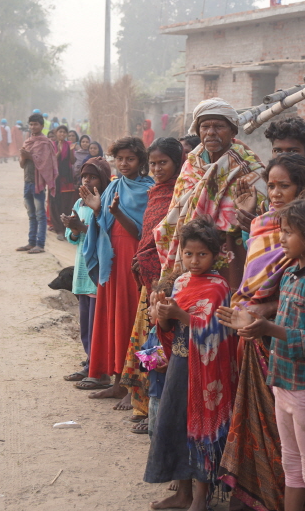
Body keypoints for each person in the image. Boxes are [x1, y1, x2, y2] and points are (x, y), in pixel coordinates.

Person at [216, 153, 305, 511]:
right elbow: (252, 275)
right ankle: (251, 496)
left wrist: (263, 311)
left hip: (284, 340)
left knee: (285, 437)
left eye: (283, 186)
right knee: (253, 419)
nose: (274, 192)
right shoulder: (262, 223)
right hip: (252, 332)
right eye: (271, 185)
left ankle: (279, 500)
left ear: (303, 189)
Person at [234, 197, 305, 511]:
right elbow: (284, 329)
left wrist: (269, 329)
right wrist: (253, 326)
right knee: (291, 464)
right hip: (283, 385)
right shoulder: (289, 277)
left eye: (288, 232)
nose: (281, 238)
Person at [145, 217, 236, 511]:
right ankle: (182, 493)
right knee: (174, 425)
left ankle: (200, 497)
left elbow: (218, 331)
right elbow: (169, 329)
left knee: (202, 431)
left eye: (202, 254)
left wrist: (181, 315)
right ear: (180, 252)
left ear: (215, 254)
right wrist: (162, 312)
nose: (194, 261)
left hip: (207, 373)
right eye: (188, 254)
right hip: (180, 366)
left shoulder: (219, 287)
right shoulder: (181, 281)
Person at [155, 98, 267, 291]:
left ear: (233, 131)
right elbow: (177, 213)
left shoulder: (249, 168)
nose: (211, 132)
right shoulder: (190, 165)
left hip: (231, 257)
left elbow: (264, 216)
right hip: (192, 255)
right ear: (198, 132)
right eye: (205, 126)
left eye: (219, 126)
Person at [77, 137, 153, 405]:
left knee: (134, 319)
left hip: (134, 262)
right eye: (120, 159)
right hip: (111, 260)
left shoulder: (149, 190)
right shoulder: (112, 188)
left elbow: (140, 231)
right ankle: (117, 381)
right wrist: (98, 211)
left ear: (141, 162)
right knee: (114, 318)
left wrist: (117, 212)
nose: (124, 163)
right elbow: (102, 224)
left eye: (130, 159)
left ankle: (136, 387)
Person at [118, 137, 184, 432]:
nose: (157, 169)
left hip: (166, 279)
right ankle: (141, 402)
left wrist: (160, 274)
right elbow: (149, 234)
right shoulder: (155, 191)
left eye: (163, 163)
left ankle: (153, 407)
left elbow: (172, 239)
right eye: (154, 163)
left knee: (159, 341)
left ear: (177, 163)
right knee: (146, 338)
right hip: (149, 277)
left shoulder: (180, 193)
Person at [61, 158, 112, 384]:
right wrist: (72, 228)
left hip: (98, 270)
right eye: (84, 177)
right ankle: (89, 361)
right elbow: (72, 239)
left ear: (103, 180)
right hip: (83, 270)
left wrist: (81, 227)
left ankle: (98, 369)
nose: (87, 181)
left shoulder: (105, 202)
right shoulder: (79, 204)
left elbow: (106, 230)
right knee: (85, 322)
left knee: (96, 323)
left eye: (92, 177)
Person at [18, 112, 58, 254]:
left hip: (38, 183)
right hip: (27, 181)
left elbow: (46, 164)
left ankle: (40, 244)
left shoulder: (45, 143)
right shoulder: (28, 141)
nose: (33, 127)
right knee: (31, 213)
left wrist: (30, 156)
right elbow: (22, 165)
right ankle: (31, 242)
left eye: (36, 124)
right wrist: (23, 157)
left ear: (41, 126)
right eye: (31, 124)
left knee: (40, 214)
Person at [50, 125, 77, 241]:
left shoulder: (69, 145)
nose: (62, 134)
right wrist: (59, 152)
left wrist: (71, 150)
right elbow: (51, 160)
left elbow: (72, 161)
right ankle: (58, 229)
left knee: (66, 202)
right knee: (54, 202)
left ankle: (66, 228)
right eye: (60, 132)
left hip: (66, 178)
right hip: (54, 177)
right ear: (56, 133)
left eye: (64, 132)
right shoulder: (52, 145)